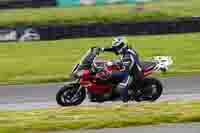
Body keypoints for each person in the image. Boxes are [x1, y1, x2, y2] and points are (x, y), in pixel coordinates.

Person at [97, 36, 142, 102]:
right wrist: (102, 49)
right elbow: (113, 49)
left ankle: (126, 98)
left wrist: (116, 63)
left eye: (117, 48)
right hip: (126, 69)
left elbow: (126, 68)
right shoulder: (124, 50)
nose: (115, 49)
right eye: (115, 48)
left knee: (121, 88)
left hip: (132, 73)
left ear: (122, 46)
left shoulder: (128, 55)